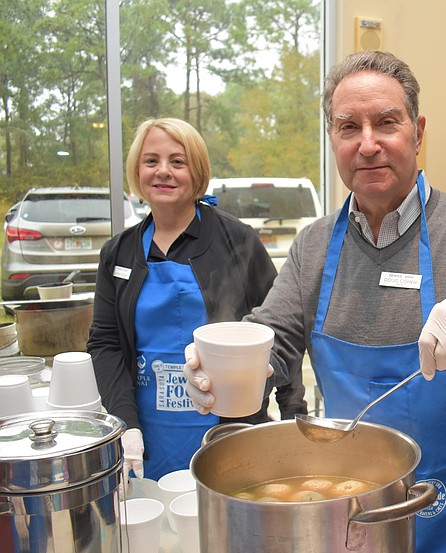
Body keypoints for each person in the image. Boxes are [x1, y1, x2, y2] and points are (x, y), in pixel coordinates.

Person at [184, 51, 446, 553]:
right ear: (332, 140)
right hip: (357, 519)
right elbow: (276, 338)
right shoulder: (313, 247)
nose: (368, 144)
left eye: (386, 122)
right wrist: (228, 371)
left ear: (418, 132)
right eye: (348, 127)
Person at [87, 117, 300, 484]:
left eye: (177, 162)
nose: (163, 172)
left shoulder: (239, 242)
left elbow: (281, 331)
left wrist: (294, 416)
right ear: (137, 171)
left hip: (231, 430)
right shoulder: (117, 254)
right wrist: (125, 424)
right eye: (151, 161)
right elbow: (105, 343)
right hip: (148, 435)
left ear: (197, 172)